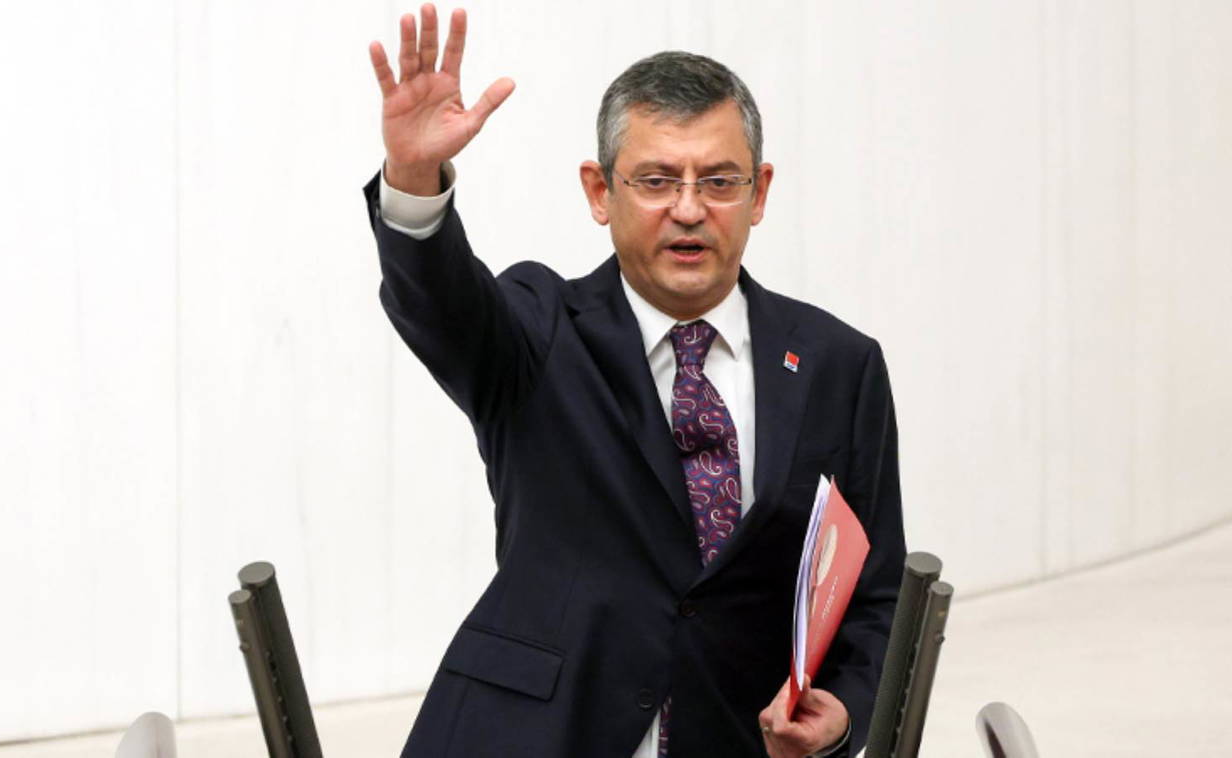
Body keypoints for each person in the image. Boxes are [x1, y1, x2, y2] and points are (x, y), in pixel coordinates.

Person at [363, 6, 906, 757]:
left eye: (719, 181)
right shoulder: (538, 332)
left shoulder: (839, 365)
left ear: (759, 193)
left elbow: (876, 598)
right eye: (655, 181)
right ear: (599, 191)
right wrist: (414, 180)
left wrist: (842, 713)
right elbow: (440, 304)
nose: (688, 209)